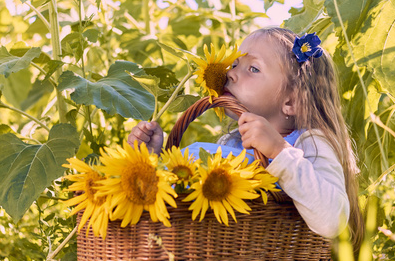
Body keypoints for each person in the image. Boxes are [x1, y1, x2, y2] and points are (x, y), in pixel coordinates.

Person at [127, 27, 364, 249]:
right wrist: (152, 158)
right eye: (236, 64)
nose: (230, 74)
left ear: (291, 102)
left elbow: (333, 221)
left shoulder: (309, 142)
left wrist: (279, 152)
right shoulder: (231, 142)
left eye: (253, 69)